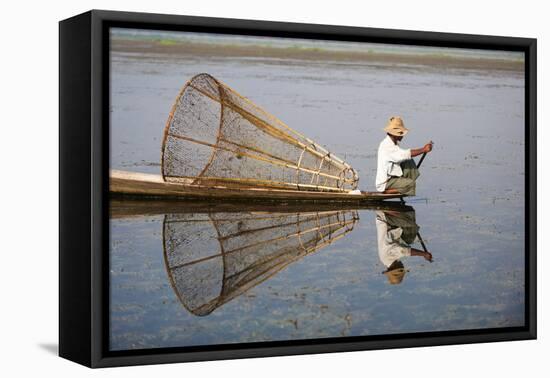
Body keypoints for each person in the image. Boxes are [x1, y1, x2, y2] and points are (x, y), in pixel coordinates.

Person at [375, 116, 433, 196]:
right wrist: (423, 149)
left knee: (409, 161)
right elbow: (406, 154)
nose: (402, 135)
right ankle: (387, 191)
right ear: (395, 134)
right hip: (385, 183)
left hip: (392, 177)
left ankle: (404, 185)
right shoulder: (387, 146)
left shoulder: (392, 143)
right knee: (411, 184)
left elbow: (404, 156)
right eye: (401, 133)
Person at [375, 209, 433, 285]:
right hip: (391, 226)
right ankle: (397, 212)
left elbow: (406, 251)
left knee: (411, 222)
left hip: (384, 220)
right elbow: (404, 250)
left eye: (401, 267)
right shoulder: (389, 260)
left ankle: (387, 212)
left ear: (394, 268)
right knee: (409, 239)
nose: (402, 265)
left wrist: (424, 254)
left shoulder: (388, 258)